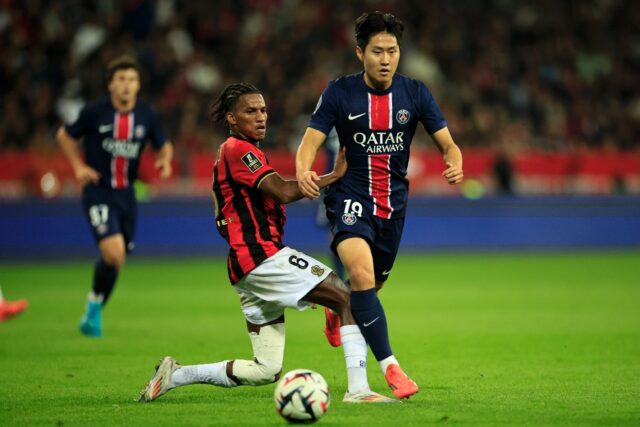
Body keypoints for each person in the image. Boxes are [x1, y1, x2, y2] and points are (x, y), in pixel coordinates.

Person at [138, 83, 396, 404]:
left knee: (266, 369)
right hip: (261, 258)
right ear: (231, 118)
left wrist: (331, 177)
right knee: (348, 298)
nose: (261, 117)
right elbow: (284, 192)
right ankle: (358, 390)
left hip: (245, 267)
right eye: (250, 111)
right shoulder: (237, 149)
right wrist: (332, 176)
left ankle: (174, 375)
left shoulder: (243, 151)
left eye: (262, 110)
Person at [295, 12, 464, 399]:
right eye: (377, 51)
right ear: (360, 53)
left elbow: (448, 143)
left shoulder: (415, 92)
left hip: (393, 207)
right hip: (349, 197)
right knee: (362, 275)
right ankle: (392, 368)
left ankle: (336, 304)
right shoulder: (339, 92)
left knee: (370, 289)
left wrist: (454, 161)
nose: (386, 59)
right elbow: (310, 140)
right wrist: (304, 170)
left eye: (392, 51)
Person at [57, 55, 174, 337]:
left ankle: (94, 306)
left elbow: (163, 144)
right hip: (98, 191)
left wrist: (165, 160)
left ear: (138, 85)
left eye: (131, 80)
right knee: (113, 252)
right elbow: (64, 135)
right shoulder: (95, 112)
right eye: (120, 79)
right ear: (110, 85)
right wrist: (78, 166)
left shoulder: (148, 115)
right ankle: (94, 308)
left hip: (127, 195)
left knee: (117, 260)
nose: (126, 85)